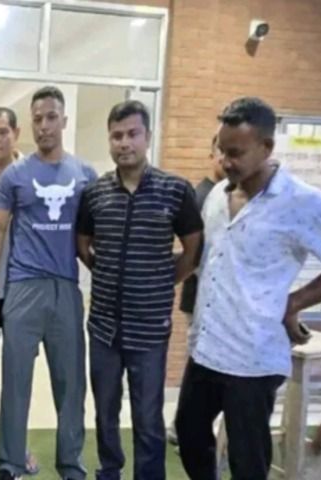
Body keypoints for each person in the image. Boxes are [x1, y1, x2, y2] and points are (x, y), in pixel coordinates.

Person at [175, 97, 321, 480]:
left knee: (247, 462)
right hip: (206, 349)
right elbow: (206, 259)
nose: (226, 161)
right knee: (190, 435)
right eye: (222, 150)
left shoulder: (302, 202)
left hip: (253, 358)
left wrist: (294, 302)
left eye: (236, 153)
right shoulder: (216, 196)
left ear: (267, 147)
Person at [76, 100, 203, 480]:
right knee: (105, 412)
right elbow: (83, 244)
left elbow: (193, 251)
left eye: (132, 134)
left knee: (147, 416)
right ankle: (109, 470)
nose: (124, 143)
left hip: (149, 330)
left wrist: (161, 280)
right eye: (116, 135)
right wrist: (107, 272)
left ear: (148, 136)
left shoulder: (175, 190)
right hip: (103, 328)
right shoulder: (95, 192)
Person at [0, 86, 97, 480]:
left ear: (64, 121)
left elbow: (93, 234)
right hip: (23, 288)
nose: (44, 125)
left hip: (66, 288)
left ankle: (71, 465)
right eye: (38, 119)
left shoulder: (85, 175)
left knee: (71, 384)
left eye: (51, 117)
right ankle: (10, 463)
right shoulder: (16, 175)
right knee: (16, 382)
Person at [0, 107, 39, 475]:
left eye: (3, 132)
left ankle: (17, 443)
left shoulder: (32, 173)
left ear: (16, 133)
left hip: (23, 289)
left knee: (18, 369)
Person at [167, 134, 226, 446]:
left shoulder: (232, 195)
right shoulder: (201, 195)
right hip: (199, 298)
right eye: (222, 151)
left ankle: (189, 428)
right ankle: (183, 429)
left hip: (225, 305)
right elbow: (192, 252)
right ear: (212, 154)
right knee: (199, 365)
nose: (227, 159)